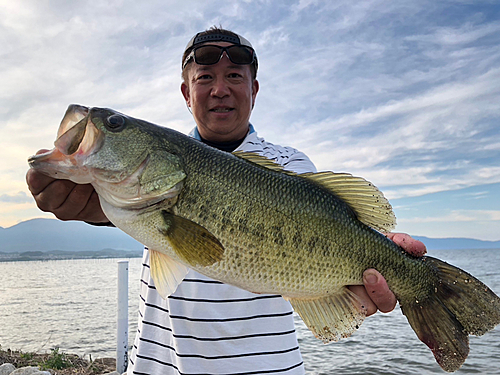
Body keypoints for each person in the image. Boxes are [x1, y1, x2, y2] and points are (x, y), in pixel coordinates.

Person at [27, 27, 427, 374]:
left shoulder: (290, 166)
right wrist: (93, 205)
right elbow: (128, 212)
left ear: (253, 89)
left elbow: (337, 234)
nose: (220, 89)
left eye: (235, 75)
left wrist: (383, 266)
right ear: (187, 92)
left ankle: (427, 287)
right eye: (205, 78)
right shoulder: (138, 190)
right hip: (158, 365)